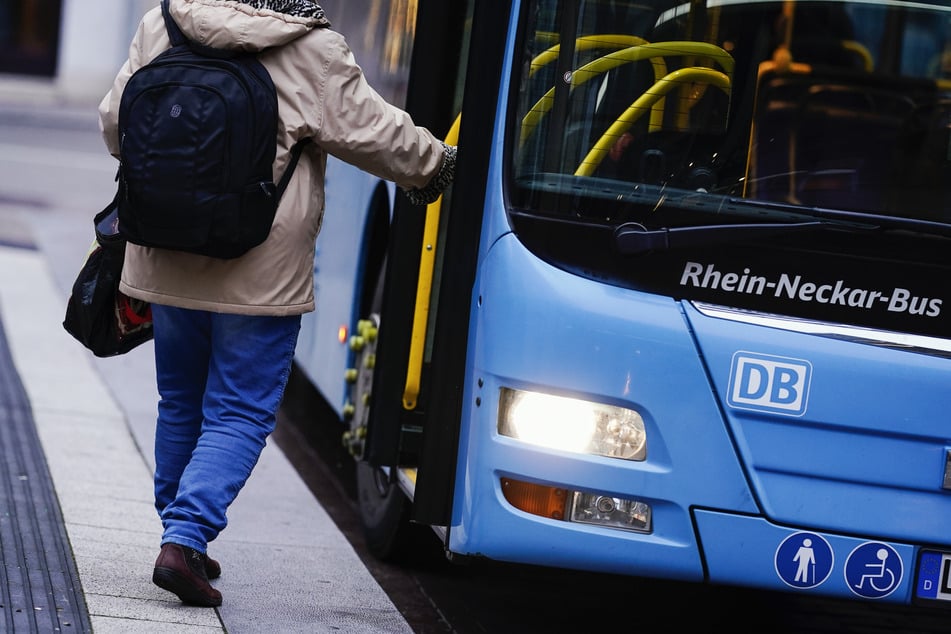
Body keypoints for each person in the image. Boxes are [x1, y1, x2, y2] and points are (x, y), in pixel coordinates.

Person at [98, 0, 456, 608]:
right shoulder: (311, 47)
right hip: (257, 270)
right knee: (239, 411)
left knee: (181, 398)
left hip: (166, 246)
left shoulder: (164, 22)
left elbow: (114, 122)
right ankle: (184, 538)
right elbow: (374, 132)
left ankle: (180, 531)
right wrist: (439, 165)